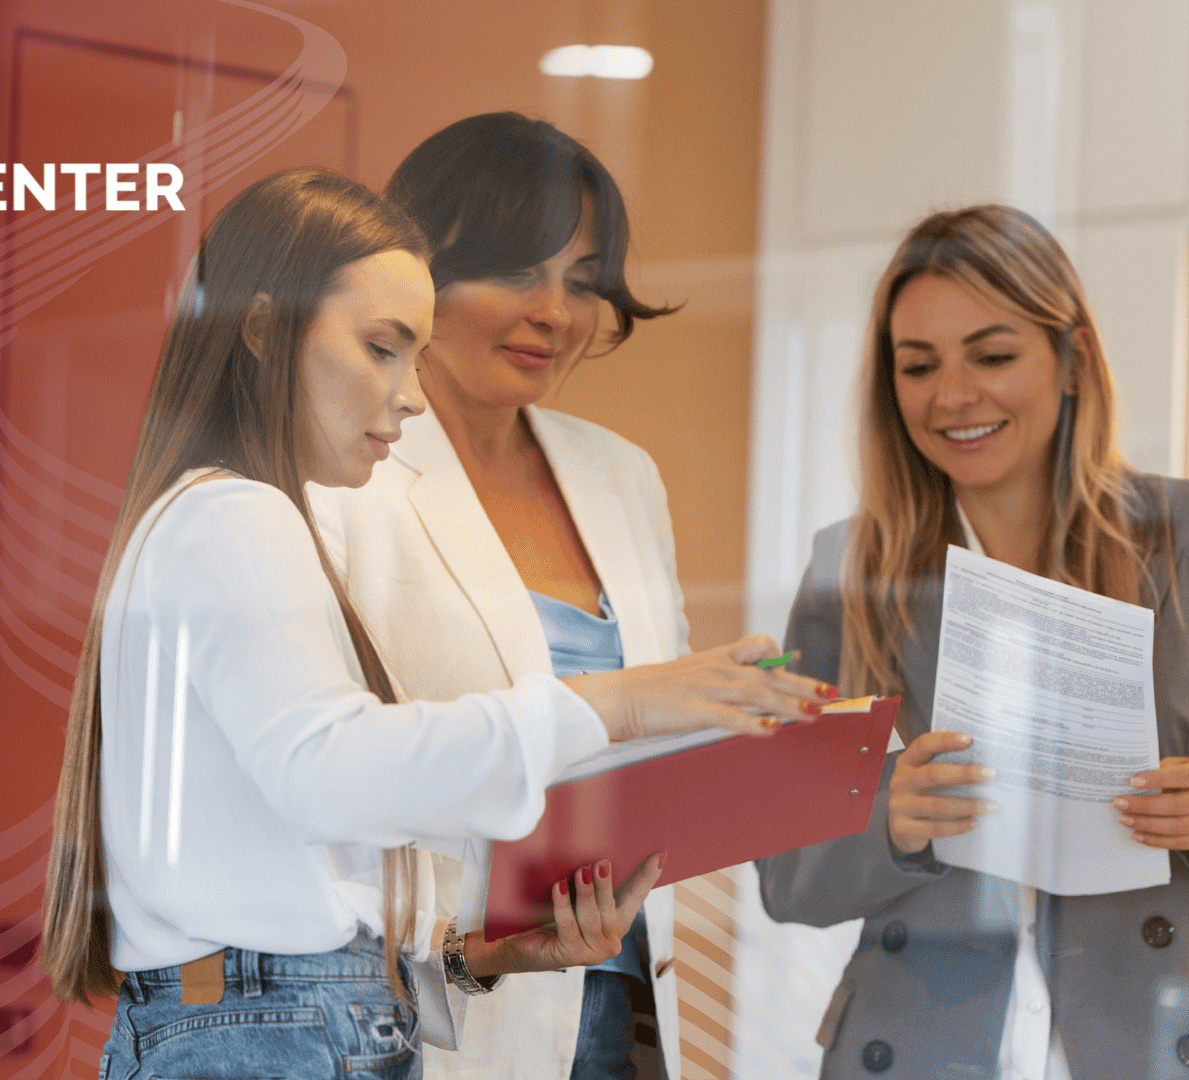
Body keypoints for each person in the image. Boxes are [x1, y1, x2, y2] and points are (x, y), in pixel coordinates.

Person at [38, 167, 830, 1080]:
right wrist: (616, 703)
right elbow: (330, 771)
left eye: (415, 356)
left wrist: (479, 957)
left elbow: (301, 899)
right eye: (383, 347)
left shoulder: (216, 518)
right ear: (260, 330)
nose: (411, 396)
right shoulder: (234, 515)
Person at [755, 205, 1189, 1079]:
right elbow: (787, 873)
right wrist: (890, 821)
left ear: (1073, 360)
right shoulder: (853, 570)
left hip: (1167, 1042)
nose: (953, 395)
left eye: (992, 356)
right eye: (919, 365)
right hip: (921, 1046)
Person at [309, 113, 771, 1080]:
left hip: (624, 995)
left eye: (585, 281)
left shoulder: (621, 475)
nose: (557, 312)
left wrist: (748, 724)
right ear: (418, 272)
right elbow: (328, 769)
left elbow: (647, 735)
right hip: (443, 1011)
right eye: (519, 271)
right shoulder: (343, 476)